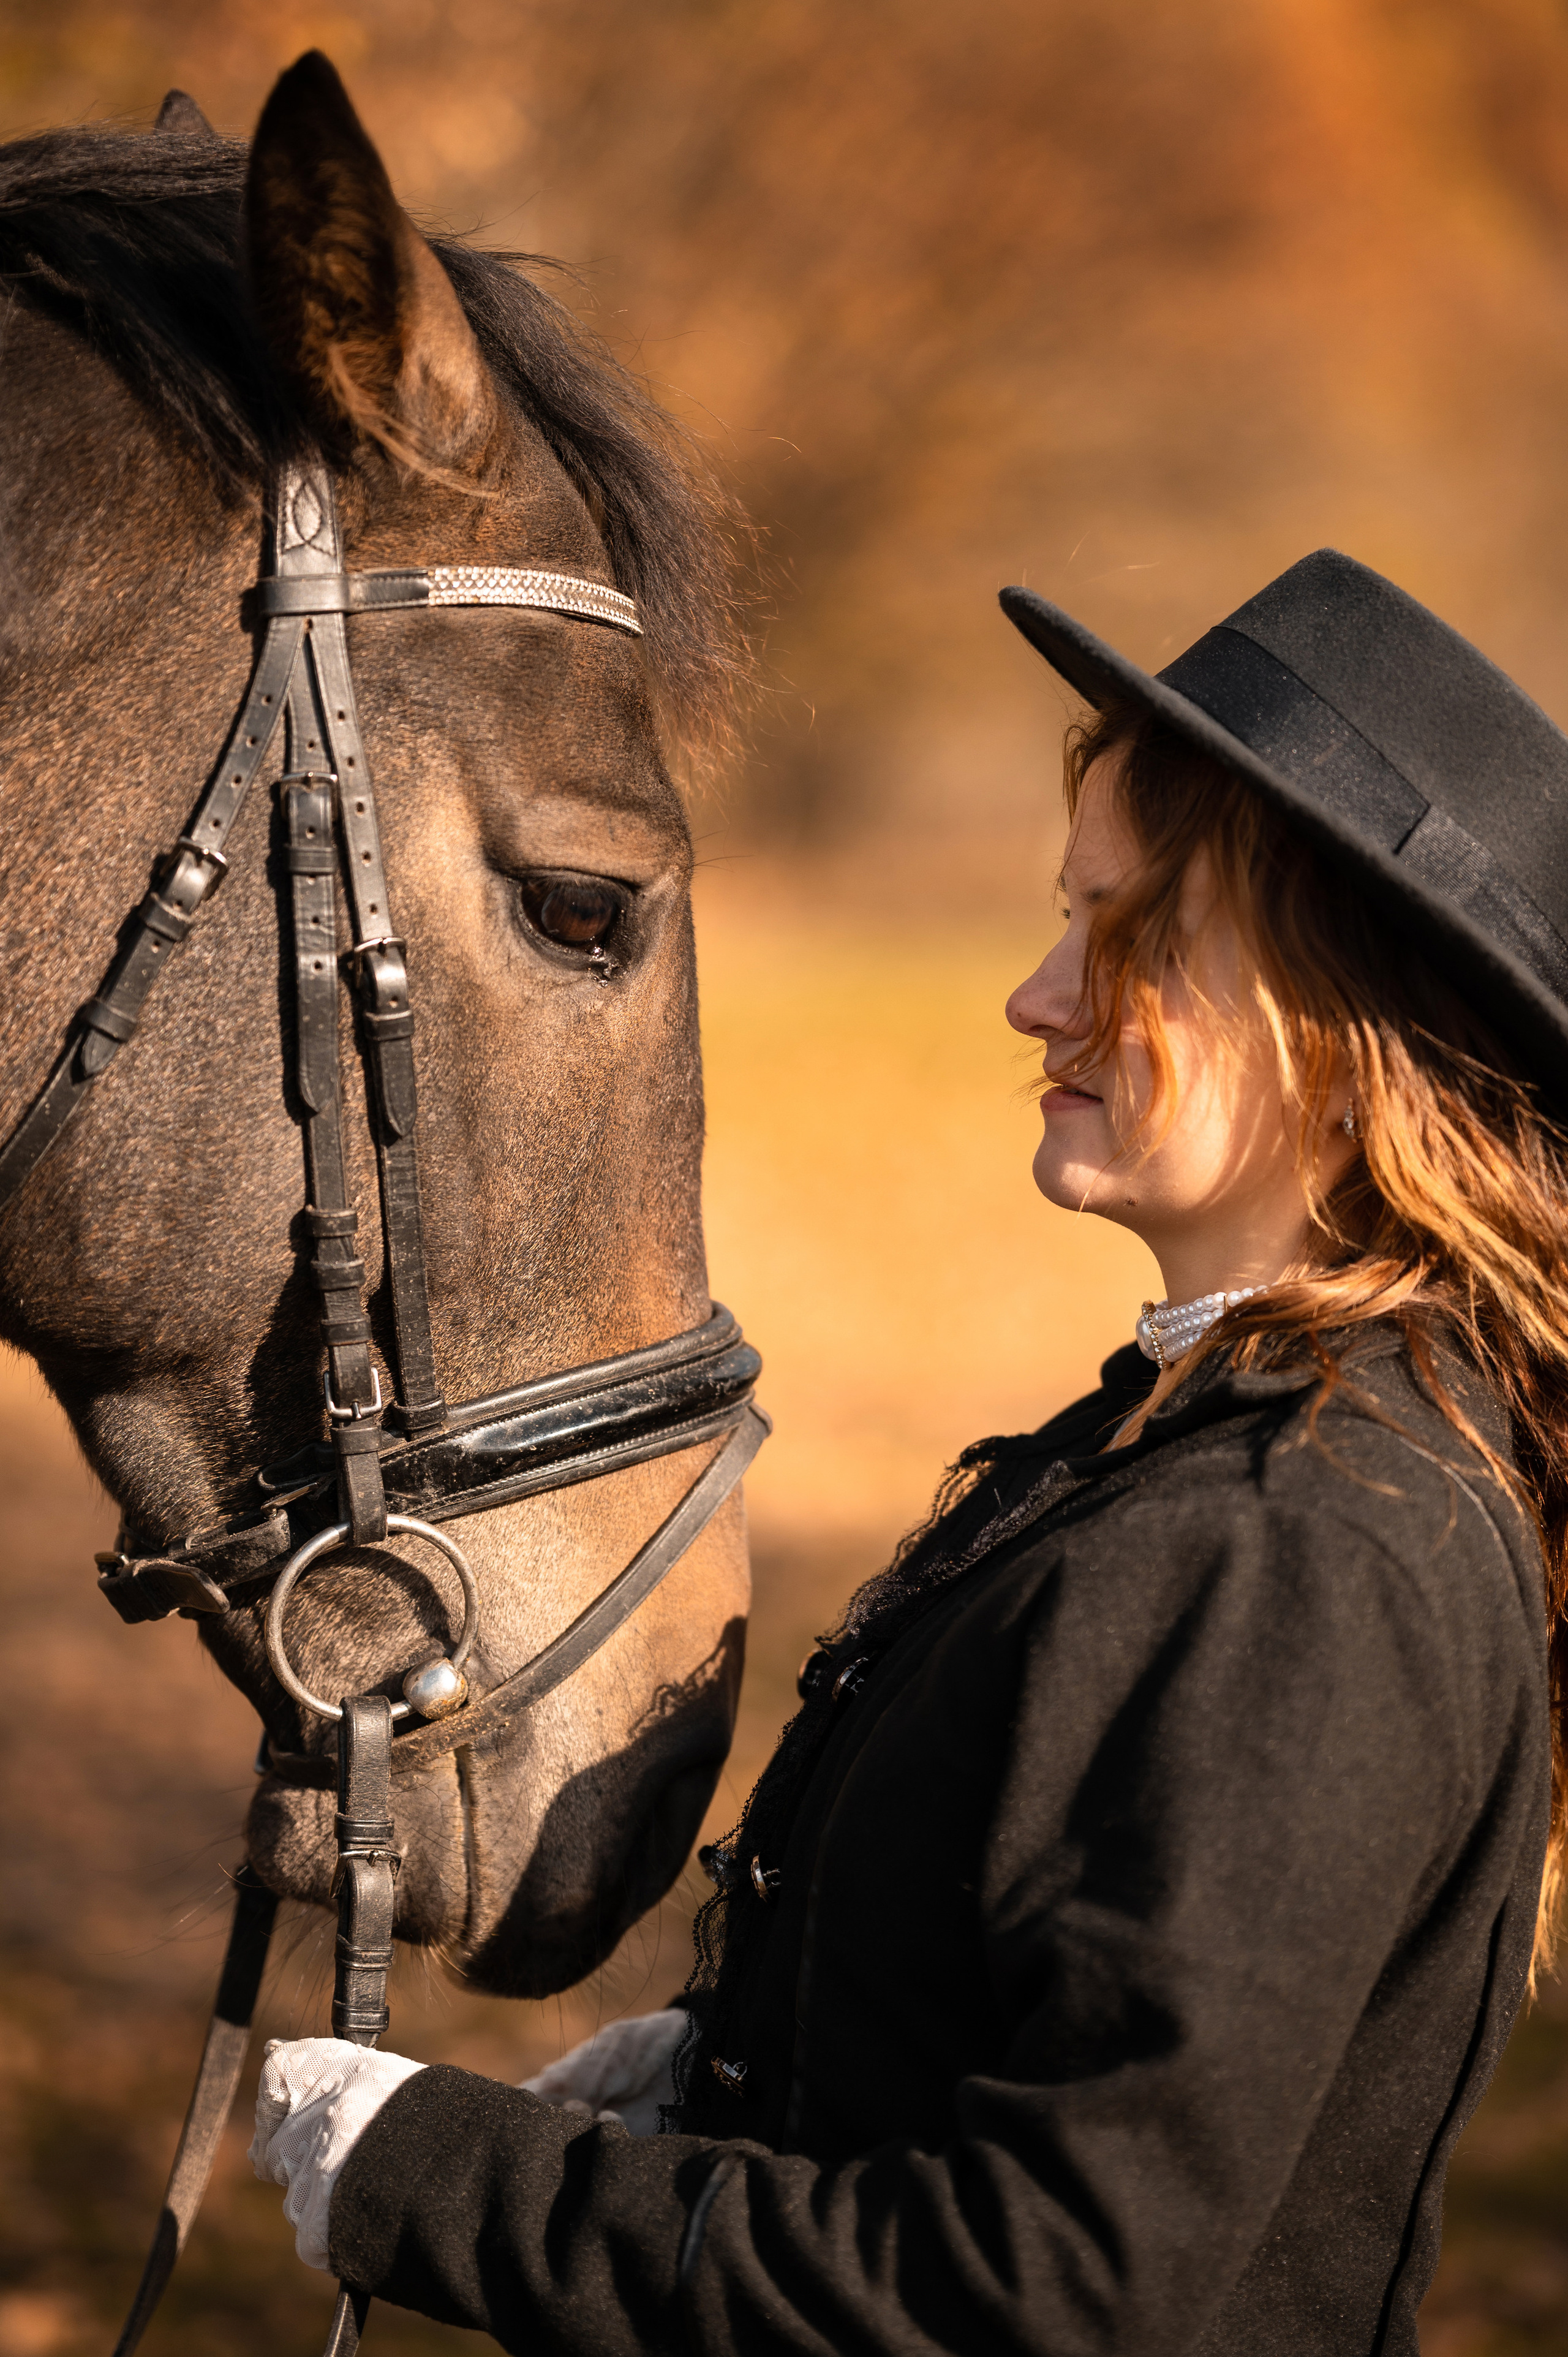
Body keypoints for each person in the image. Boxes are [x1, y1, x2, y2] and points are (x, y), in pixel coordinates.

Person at [251, 549, 1568, 2356]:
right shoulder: (1192, 1436)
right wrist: (741, 2080)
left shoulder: (1314, 1539)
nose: (1039, 996)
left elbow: (1047, 2297)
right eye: (1062, 915)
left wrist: (450, 2184)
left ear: (1345, 1033)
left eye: (1130, 935)